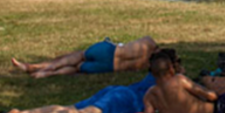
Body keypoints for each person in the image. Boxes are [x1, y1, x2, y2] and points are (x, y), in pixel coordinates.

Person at [0, 51, 184, 113]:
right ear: (172, 69)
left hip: (115, 91)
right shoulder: (173, 83)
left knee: (68, 107)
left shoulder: (153, 75)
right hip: (123, 100)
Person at [11, 36, 159, 79]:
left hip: (109, 51)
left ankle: (38, 66)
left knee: (79, 55)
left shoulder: (149, 42)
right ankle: (47, 73)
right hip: (108, 67)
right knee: (77, 68)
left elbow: (127, 44)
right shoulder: (148, 66)